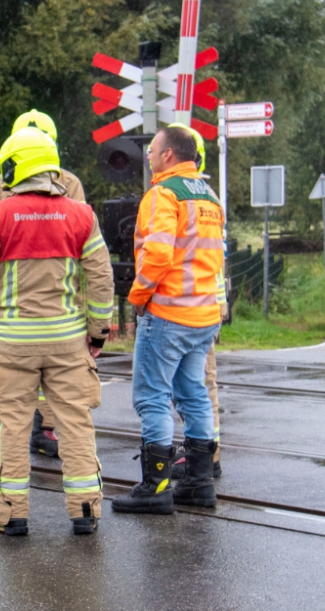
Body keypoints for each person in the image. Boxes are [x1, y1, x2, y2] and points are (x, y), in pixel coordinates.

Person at [0, 128, 114, 536]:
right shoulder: (81, 213)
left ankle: (11, 516)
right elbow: (101, 277)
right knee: (76, 424)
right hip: (67, 341)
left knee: (10, 426)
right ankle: (86, 513)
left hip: (14, 343)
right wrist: (97, 331)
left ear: (18, 166)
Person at [112, 126, 225, 515]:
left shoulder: (164, 194)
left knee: (152, 396)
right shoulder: (210, 197)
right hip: (203, 316)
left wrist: (138, 298)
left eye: (153, 150)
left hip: (169, 313)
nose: (148, 156)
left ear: (170, 156)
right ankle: (199, 483)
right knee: (193, 393)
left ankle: (156, 487)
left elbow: (158, 256)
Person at [0, 109, 87, 462]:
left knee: (4, 366)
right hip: (32, 297)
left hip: (23, 299)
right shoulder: (7, 183)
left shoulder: (7, 184)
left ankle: (43, 430)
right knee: (0, 368)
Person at [167, 124, 228, 480]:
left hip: (185, 308)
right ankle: (209, 452)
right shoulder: (211, 200)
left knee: (187, 387)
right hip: (208, 306)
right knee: (205, 385)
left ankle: (203, 455)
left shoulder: (181, 200)